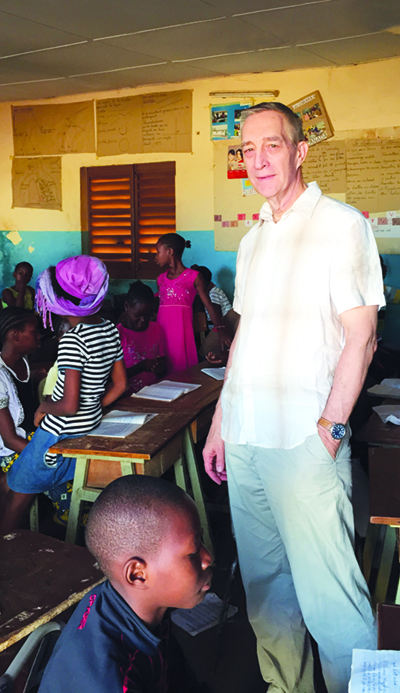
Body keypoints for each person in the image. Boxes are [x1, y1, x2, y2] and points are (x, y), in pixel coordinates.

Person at [203, 102, 385, 693]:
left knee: (336, 602)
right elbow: (243, 342)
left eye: (271, 146)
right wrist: (218, 424)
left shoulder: (341, 224)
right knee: (266, 597)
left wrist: (331, 428)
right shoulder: (252, 241)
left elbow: (362, 335)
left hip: (307, 442)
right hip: (248, 439)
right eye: (247, 150)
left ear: (300, 151)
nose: (257, 160)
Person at [37, 474, 213, 693]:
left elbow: (179, 679)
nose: (208, 559)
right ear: (138, 575)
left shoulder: (128, 602)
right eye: (194, 551)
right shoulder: (111, 682)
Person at [0, 255, 128, 534]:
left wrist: (44, 407)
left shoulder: (73, 339)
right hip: (86, 429)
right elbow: (119, 386)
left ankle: (6, 561)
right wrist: (92, 407)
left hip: (56, 432)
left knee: (15, 499)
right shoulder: (110, 330)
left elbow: (68, 406)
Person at [155, 234, 230, 374]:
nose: (156, 256)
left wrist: (221, 329)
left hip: (181, 331)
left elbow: (208, 305)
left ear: (169, 252)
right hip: (162, 332)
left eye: (158, 252)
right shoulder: (160, 279)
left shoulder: (193, 277)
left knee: (182, 370)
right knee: (163, 367)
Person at [0, 308, 40, 483]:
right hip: (13, 453)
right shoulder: (0, 376)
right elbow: (10, 440)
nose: (39, 336)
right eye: (34, 331)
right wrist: (45, 456)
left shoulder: (23, 362)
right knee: (67, 480)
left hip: (32, 441)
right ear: (15, 335)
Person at [117, 281, 166, 394]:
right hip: (127, 396)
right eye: (138, 315)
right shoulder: (118, 334)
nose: (143, 319)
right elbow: (113, 377)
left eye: (148, 314)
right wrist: (141, 367)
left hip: (155, 392)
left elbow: (162, 359)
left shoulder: (156, 329)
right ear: (126, 306)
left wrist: (160, 366)